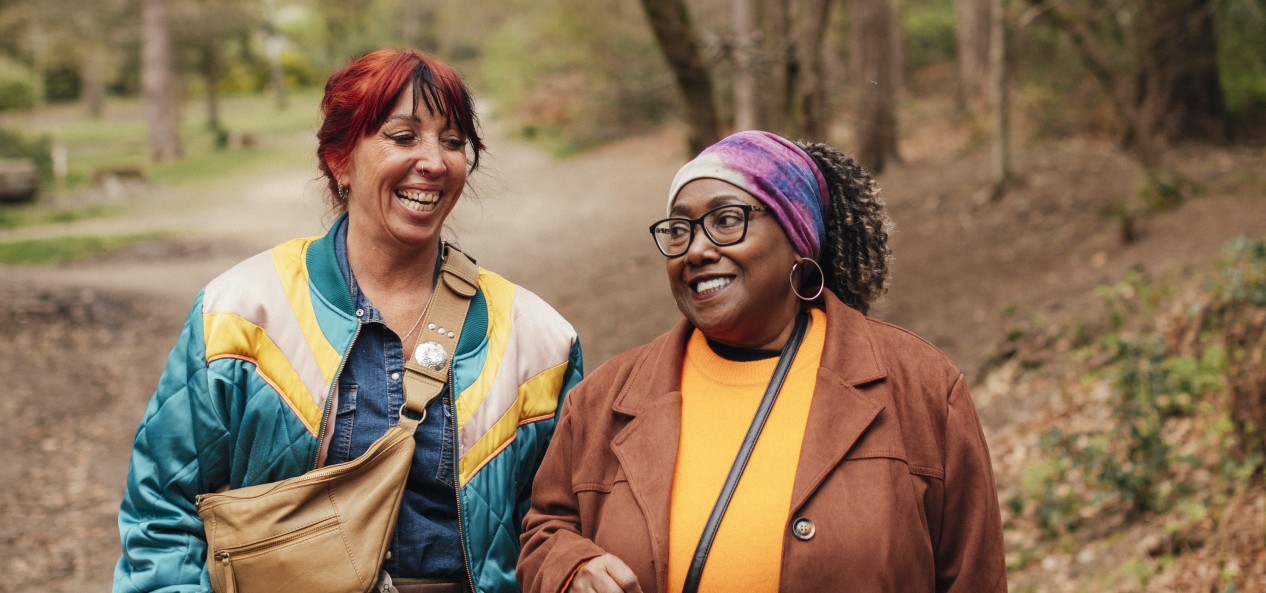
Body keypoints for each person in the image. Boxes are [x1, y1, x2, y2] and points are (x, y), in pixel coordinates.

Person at [114, 48, 583, 593]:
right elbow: (160, 517)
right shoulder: (242, 313)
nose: (433, 161)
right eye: (402, 136)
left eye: (452, 141)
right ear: (339, 160)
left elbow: (557, 529)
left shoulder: (539, 340)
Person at [517, 131, 1005, 593]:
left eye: (726, 220)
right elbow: (545, 530)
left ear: (798, 236)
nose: (698, 249)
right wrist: (570, 567)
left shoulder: (919, 388)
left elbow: (972, 573)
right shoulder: (605, 400)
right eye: (680, 229)